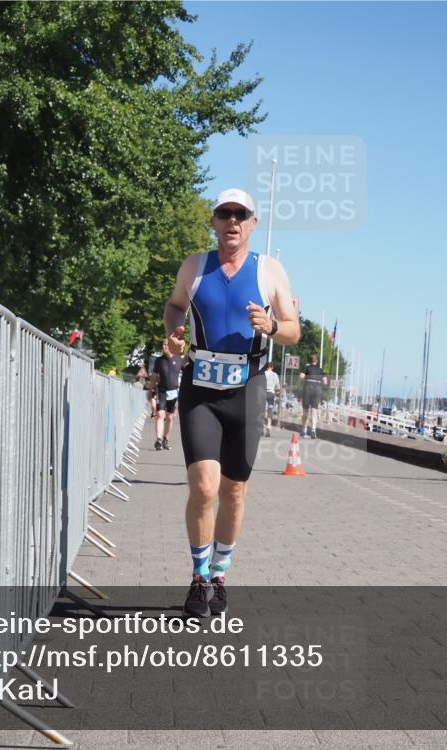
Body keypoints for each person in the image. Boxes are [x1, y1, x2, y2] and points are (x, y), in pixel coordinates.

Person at [164, 188, 299, 616]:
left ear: (253, 224)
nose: (233, 222)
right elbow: (175, 305)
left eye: (241, 215)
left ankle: (221, 574)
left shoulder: (270, 270)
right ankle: (198, 578)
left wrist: (272, 325)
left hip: (247, 387)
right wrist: (173, 332)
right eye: (225, 214)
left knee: (234, 491)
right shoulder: (194, 266)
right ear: (214, 221)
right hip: (199, 386)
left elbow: (294, 329)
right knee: (204, 487)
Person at [147, 339, 185, 450]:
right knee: (160, 415)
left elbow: (186, 375)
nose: (164, 346)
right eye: (163, 344)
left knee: (169, 418)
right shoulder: (159, 360)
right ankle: (158, 439)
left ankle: (165, 438)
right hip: (162, 391)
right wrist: (150, 390)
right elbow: (154, 377)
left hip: (174, 392)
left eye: (167, 344)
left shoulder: (179, 359)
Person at [299, 353, 328, 439]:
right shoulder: (321, 370)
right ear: (317, 360)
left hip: (307, 389)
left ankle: (304, 430)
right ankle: (313, 429)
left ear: (309, 361)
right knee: (314, 411)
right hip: (317, 390)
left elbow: (301, 377)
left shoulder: (307, 368)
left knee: (305, 411)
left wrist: (303, 379)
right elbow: (325, 382)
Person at [262, 362, 281, 437]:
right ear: (272, 367)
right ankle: (268, 427)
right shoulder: (275, 375)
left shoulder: (263, 373)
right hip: (271, 394)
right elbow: (278, 387)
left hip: (263, 393)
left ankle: (262, 428)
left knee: (263, 411)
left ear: (266, 367)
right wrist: (278, 390)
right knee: (270, 411)